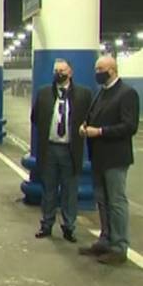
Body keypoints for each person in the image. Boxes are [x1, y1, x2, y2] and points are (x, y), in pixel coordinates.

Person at [78, 55, 139, 265]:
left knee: (116, 202)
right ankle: (105, 240)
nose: (97, 72)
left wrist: (101, 132)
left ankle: (119, 246)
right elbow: (93, 115)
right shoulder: (101, 93)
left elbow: (129, 126)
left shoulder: (127, 94)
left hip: (115, 157)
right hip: (99, 156)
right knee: (102, 201)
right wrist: (85, 126)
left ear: (112, 70)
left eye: (100, 69)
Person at [30, 58, 92, 242]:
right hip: (49, 149)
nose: (59, 73)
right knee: (48, 189)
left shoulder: (83, 94)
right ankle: (46, 225)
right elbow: (35, 118)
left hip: (70, 150)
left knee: (69, 191)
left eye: (63, 70)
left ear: (70, 72)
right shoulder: (43, 94)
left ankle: (69, 227)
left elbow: (89, 117)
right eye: (56, 70)